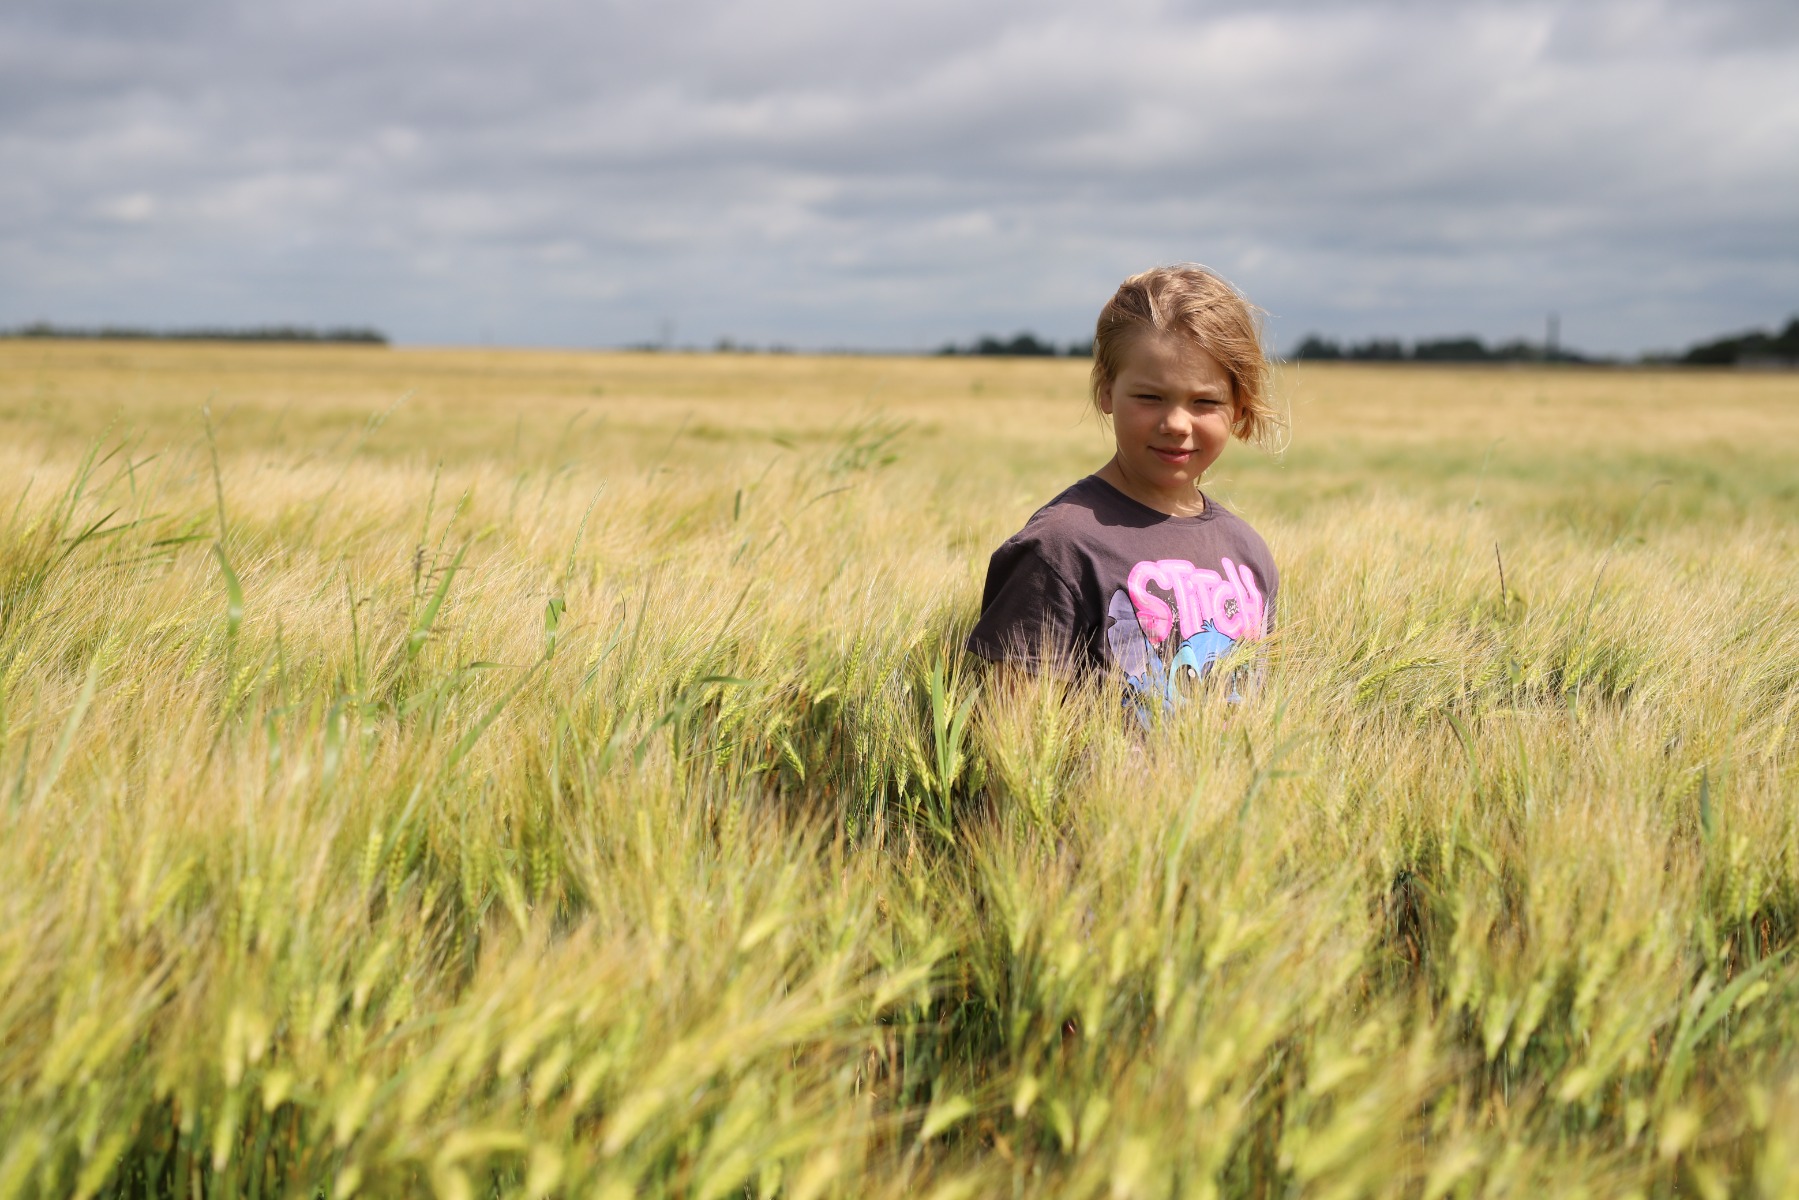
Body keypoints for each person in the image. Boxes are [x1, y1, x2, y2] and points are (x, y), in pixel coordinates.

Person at [965, 264, 1283, 716]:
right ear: (1106, 390)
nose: (1175, 423)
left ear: (1239, 406)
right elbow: (1012, 741)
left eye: (1205, 401)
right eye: (1150, 397)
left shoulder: (1249, 555)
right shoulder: (1060, 548)